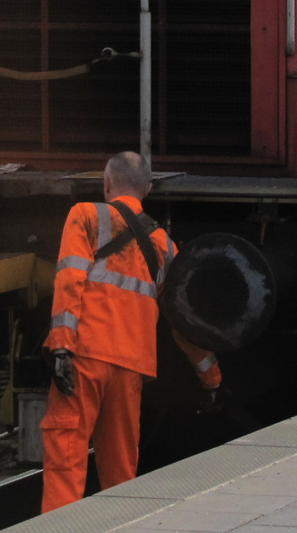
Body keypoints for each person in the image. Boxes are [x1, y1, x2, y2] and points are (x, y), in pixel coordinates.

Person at [40, 150, 221, 511]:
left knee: (66, 457)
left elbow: (69, 280)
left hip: (84, 357)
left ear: (106, 184)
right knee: (121, 471)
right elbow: (184, 325)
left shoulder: (86, 216)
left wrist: (61, 346)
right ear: (148, 189)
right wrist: (211, 378)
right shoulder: (166, 247)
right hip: (131, 368)